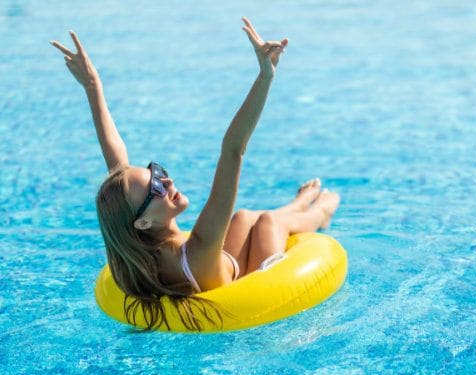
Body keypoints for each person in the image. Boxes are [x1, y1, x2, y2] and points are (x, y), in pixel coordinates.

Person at [51, 18, 340, 330]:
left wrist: (93, 86)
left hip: (220, 268)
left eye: (157, 173)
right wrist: (265, 76)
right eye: (156, 189)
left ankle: (299, 204)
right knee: (270, 222)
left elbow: (117, 161)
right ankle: (319, 211)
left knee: (243, 217)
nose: (167, 182)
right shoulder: (200, 247)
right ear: (143, 221)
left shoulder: (140, 251)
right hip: (252, 277)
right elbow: (233, 149)